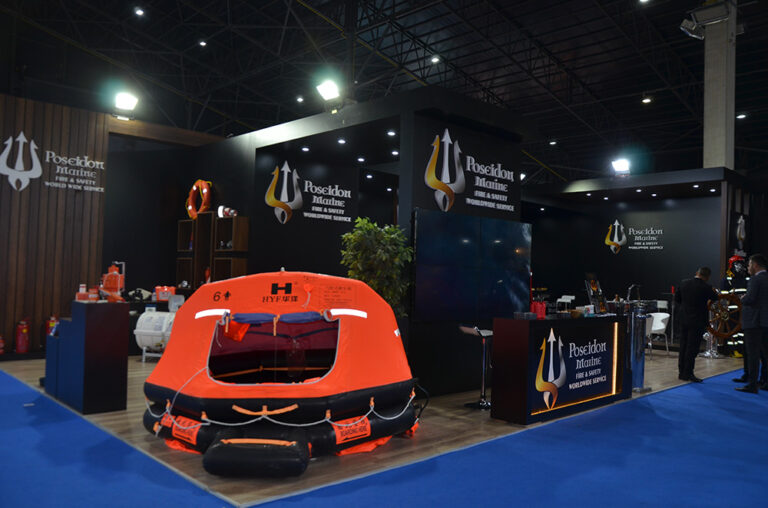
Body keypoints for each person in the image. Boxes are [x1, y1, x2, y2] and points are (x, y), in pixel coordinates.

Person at [674, 267, 716, 382]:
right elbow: (715, 297)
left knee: (683, 346)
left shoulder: (684, 283)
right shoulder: (706, 287)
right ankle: (688, 373)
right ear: (707, 277)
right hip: (697, 321)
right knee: (692, 349)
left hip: (683, 319)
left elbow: (677, 299)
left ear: (697, 273)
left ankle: (681, 373)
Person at [735, 254, 768, 394]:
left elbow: (751, 299)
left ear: (755, 265)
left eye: (749, 265)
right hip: (765, 322)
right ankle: (765, 381)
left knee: (753, 354)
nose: (748, 268)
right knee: (765, 354)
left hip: (754, 322)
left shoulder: (755, 279)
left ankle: (752, 385)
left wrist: (743, 298)